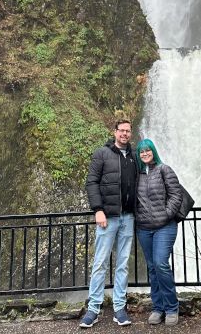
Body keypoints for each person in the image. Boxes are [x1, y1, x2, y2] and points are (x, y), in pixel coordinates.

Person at [79, 120, 137, 328]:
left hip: (128, 217)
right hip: (108, 217)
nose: (124, 134)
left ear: (131, 133)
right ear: (114, 132)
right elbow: (91, 182)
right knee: (100, 262)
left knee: (122, 264)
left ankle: (119, 307)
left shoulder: (134, 156)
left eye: (128, 131)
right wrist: (98, 210)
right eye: (121, 130)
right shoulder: (102, 154)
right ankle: (93, 308)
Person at [135, 139, 182, 327]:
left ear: (153, 151)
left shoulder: (164, 169)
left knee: (161, 263)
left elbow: (176, 195)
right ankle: (157, 307)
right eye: (142, 151)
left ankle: (172, 307)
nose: (145, 153)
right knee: (152, 267)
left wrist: (166, 214)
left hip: (165, 226)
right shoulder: (137, 175)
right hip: (144, 228)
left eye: (148, 150)